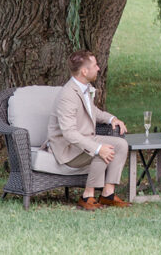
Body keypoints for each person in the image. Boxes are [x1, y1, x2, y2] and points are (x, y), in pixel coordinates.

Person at [46, 50, 131, 210]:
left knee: (121, 145)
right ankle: (87, 196)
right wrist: (97, 148)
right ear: (84, 71)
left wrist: (112, 119)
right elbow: (69, 133)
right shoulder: (68, 95)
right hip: (68, 149)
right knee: (102, 150)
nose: (98, 68)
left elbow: (93, 111)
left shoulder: (84, 88)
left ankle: (108, 194)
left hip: (85, 140)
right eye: (95, 65)